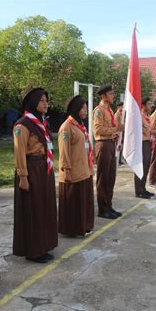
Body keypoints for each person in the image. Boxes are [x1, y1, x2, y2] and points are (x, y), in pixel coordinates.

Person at [13, 87, 58, 263]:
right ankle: (33, 250)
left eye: (47, 100)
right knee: (33, 210)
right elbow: (19, 151)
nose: (46, 103)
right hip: (31, 169)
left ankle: (44, 245)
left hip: (43, 168)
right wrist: (23, 176)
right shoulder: (22, 124)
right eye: (42, 100)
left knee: (44, 207)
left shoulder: (40, 123)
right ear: (32, 103)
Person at [58, 95, 95, 237]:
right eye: (83, 108)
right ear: (75, 109)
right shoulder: (66, 127)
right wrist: (66, 170)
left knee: (83, 203)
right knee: (74, 204)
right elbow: (64, 151)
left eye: (86, 107)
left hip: (84, 170)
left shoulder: (80, 125)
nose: (86, 110)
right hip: (73, 172)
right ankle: (72, 230)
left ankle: (84, 226)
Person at [93, 85, 124, 219]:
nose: (113, 96)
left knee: (111, 178)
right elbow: (98, 130)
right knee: (103, 178)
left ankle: (108, 206)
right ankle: (102, 209)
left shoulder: (109, 110)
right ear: (103, 96)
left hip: (111, 144)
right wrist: (116, 129)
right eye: (110, 94)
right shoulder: (99, 111)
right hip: (103, 144)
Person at [134, 98, 155, 199]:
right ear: (143, 106)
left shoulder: (147, 117)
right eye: (149, 104)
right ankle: (138, 191)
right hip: (141, 143)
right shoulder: (139, 116)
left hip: (147, 143)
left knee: (146, 167)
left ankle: (143, 188)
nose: (151, 106)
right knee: (140, 167)